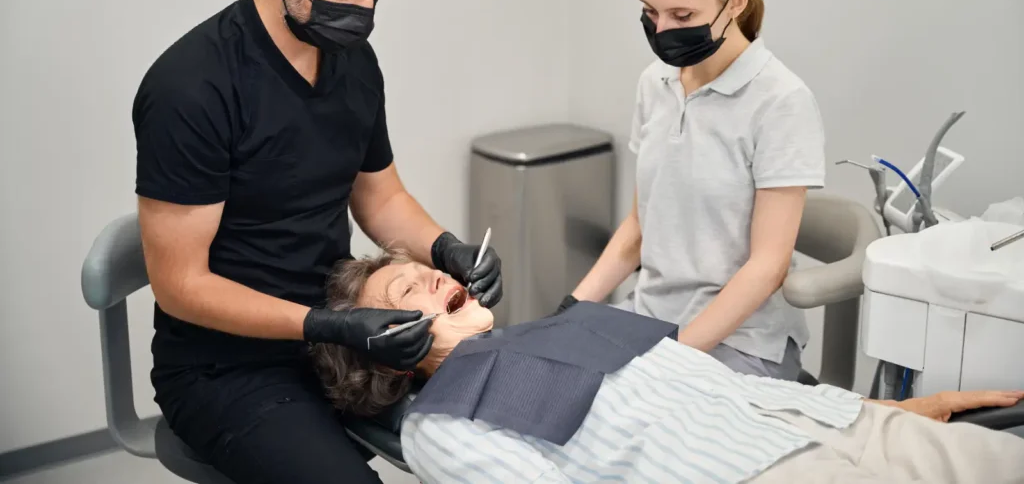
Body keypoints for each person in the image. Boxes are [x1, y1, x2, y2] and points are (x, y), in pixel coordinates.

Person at [132, 0, 503, 484]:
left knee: (504, 439)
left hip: (338, 337)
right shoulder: (192, 87)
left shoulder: (352, 62)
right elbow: (180, 286)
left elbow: (379, 195)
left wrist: (445, 247)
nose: (364, 14)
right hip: (226, 367)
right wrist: (324, 323)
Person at [312, 253, 1024, 484]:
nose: (436, 278)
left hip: (841, 423)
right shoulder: (444, 424)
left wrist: (891, 412)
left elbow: (736, 390)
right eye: (408, 291)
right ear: (385, 349)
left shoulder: (571, 324)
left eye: (427, 269)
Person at [563, 0, 827, 381]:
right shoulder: (655, 83)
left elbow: (768, 268)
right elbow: (639, 228)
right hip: (648, 318)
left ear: (735, 2)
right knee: (549, 386)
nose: (662, 30)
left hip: (739, 339)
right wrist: (571, 310)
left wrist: (675, 357)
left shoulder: (781, 101)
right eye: (650, 12)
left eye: (682, 16)